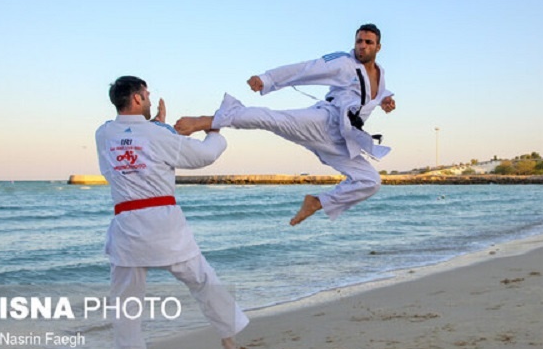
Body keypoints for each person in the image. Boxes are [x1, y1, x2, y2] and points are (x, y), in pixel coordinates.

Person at [175, 23, 396, 226]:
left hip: (344, 139)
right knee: (274, 120)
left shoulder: (380, 73)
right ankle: (209, 120)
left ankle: (317, 202)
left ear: (378, 47)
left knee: (370, 181)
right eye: (359, 41)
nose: (362, 46)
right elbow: (307, 68)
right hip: (324, 121)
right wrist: (268, 79)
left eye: (368, 42)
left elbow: (370, 93)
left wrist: (384, 100)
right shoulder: (344, 62)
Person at [95, 76, 248, 349]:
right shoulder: (158, 134)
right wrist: (212, 128)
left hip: (127, 228)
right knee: (202, 280)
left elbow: (132, 140)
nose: (150, 99)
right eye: (147, 94)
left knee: (125, 301)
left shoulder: (103, 134)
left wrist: (157, 126)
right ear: (138, 98)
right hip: (163, 226)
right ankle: (228, 338)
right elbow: (204, 156)